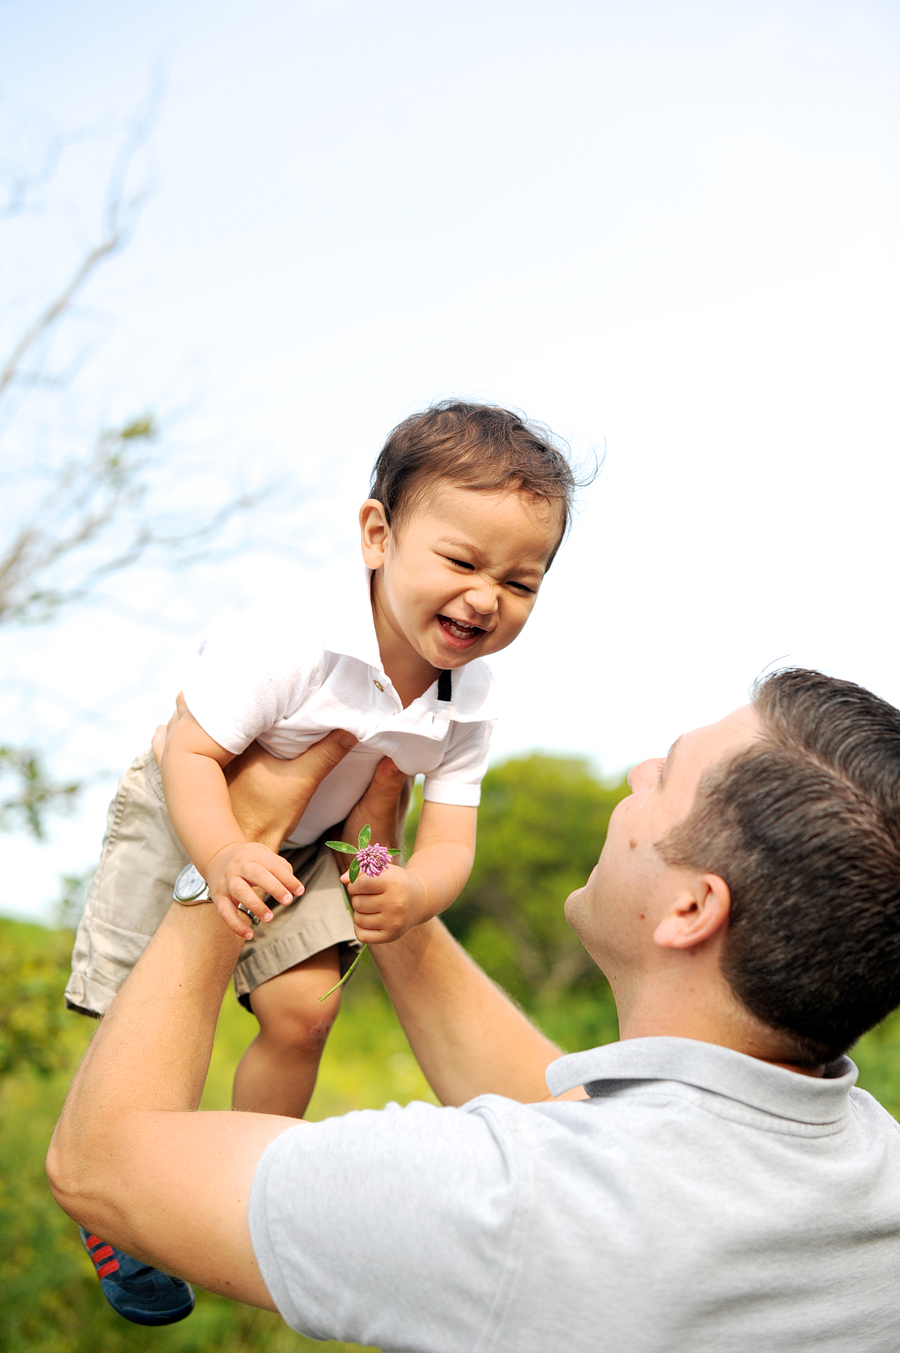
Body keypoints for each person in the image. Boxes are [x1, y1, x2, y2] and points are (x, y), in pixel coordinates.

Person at [48, 668, 900, 1351]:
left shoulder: (501, 1206)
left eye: (668, 775)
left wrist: (230, 852)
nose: (638, 771)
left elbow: (100, 1166)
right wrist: (375, 865)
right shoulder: (873, 1172)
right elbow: (576, 1127)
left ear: (691, 910)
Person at [64, 399, 578, 1324]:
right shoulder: (291, 639)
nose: (484, 597)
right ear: (378, 535)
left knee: (305, 1011)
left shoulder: (472, 700)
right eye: (461, 561)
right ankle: (124, 1198)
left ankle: (244, 1180)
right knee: (135, 1004)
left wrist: (407, 886)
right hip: (199, 813)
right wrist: (222, 852)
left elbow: (441, 838)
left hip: (327, 842)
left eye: (522, 581)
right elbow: (188, 752)